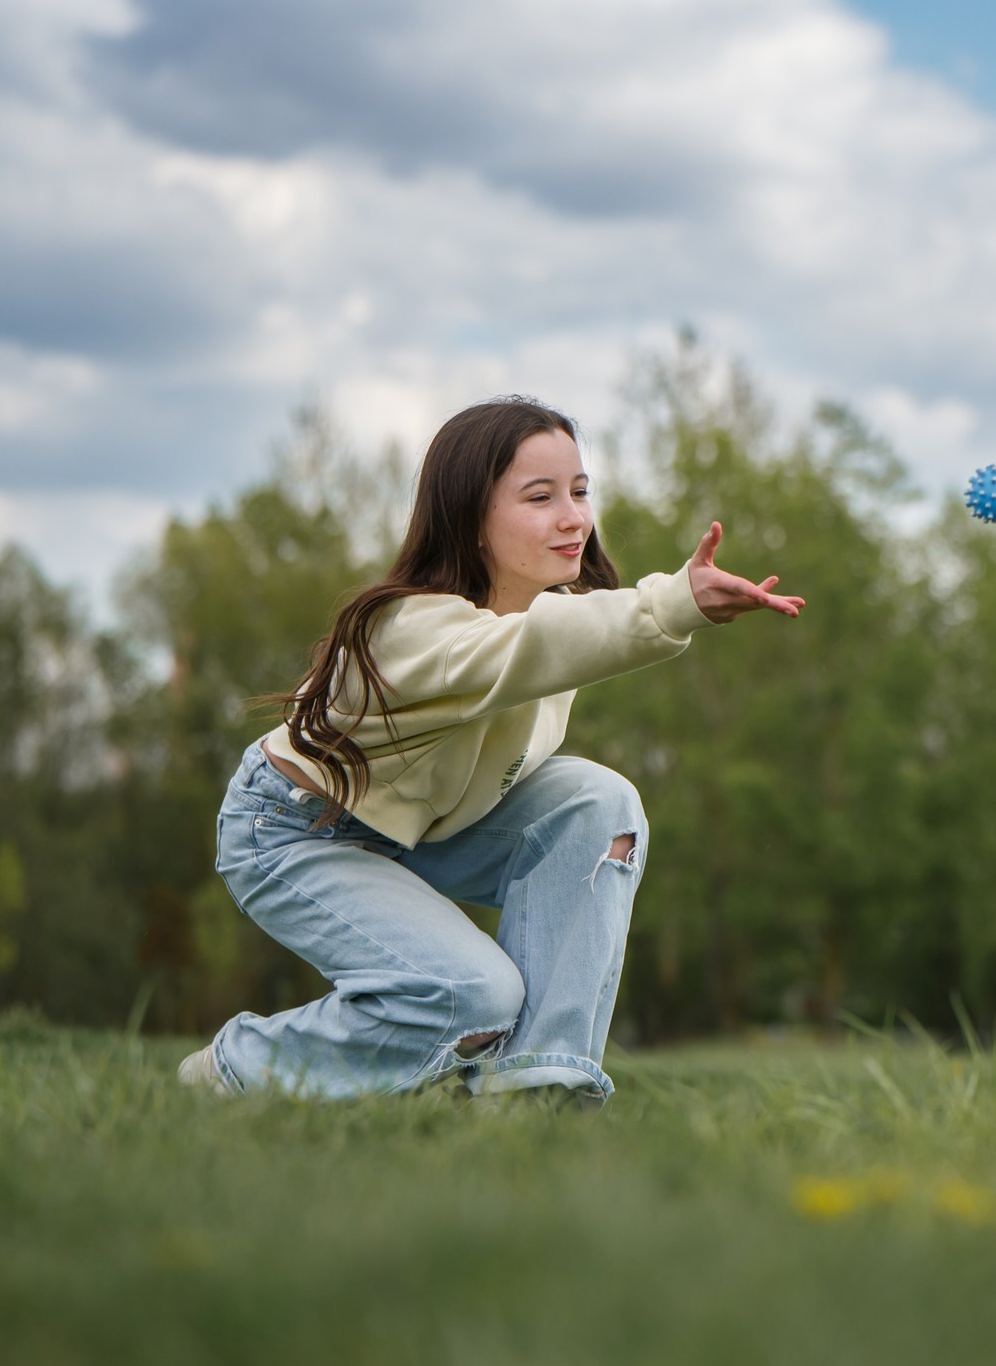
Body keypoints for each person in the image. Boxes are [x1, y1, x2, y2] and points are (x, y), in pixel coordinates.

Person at [177, 396, 802, 1101]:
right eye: (540, 497)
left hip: (424, 820)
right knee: (473, 994)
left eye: (579, 490)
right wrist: (676, 600)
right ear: (471, 520)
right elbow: (537, 644)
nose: (572, 517)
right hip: (296, 828)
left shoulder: (540, 613)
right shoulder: (414, 627)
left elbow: (554, 637)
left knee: (600, 804)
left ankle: (536, 1087)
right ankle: (235, 1068)